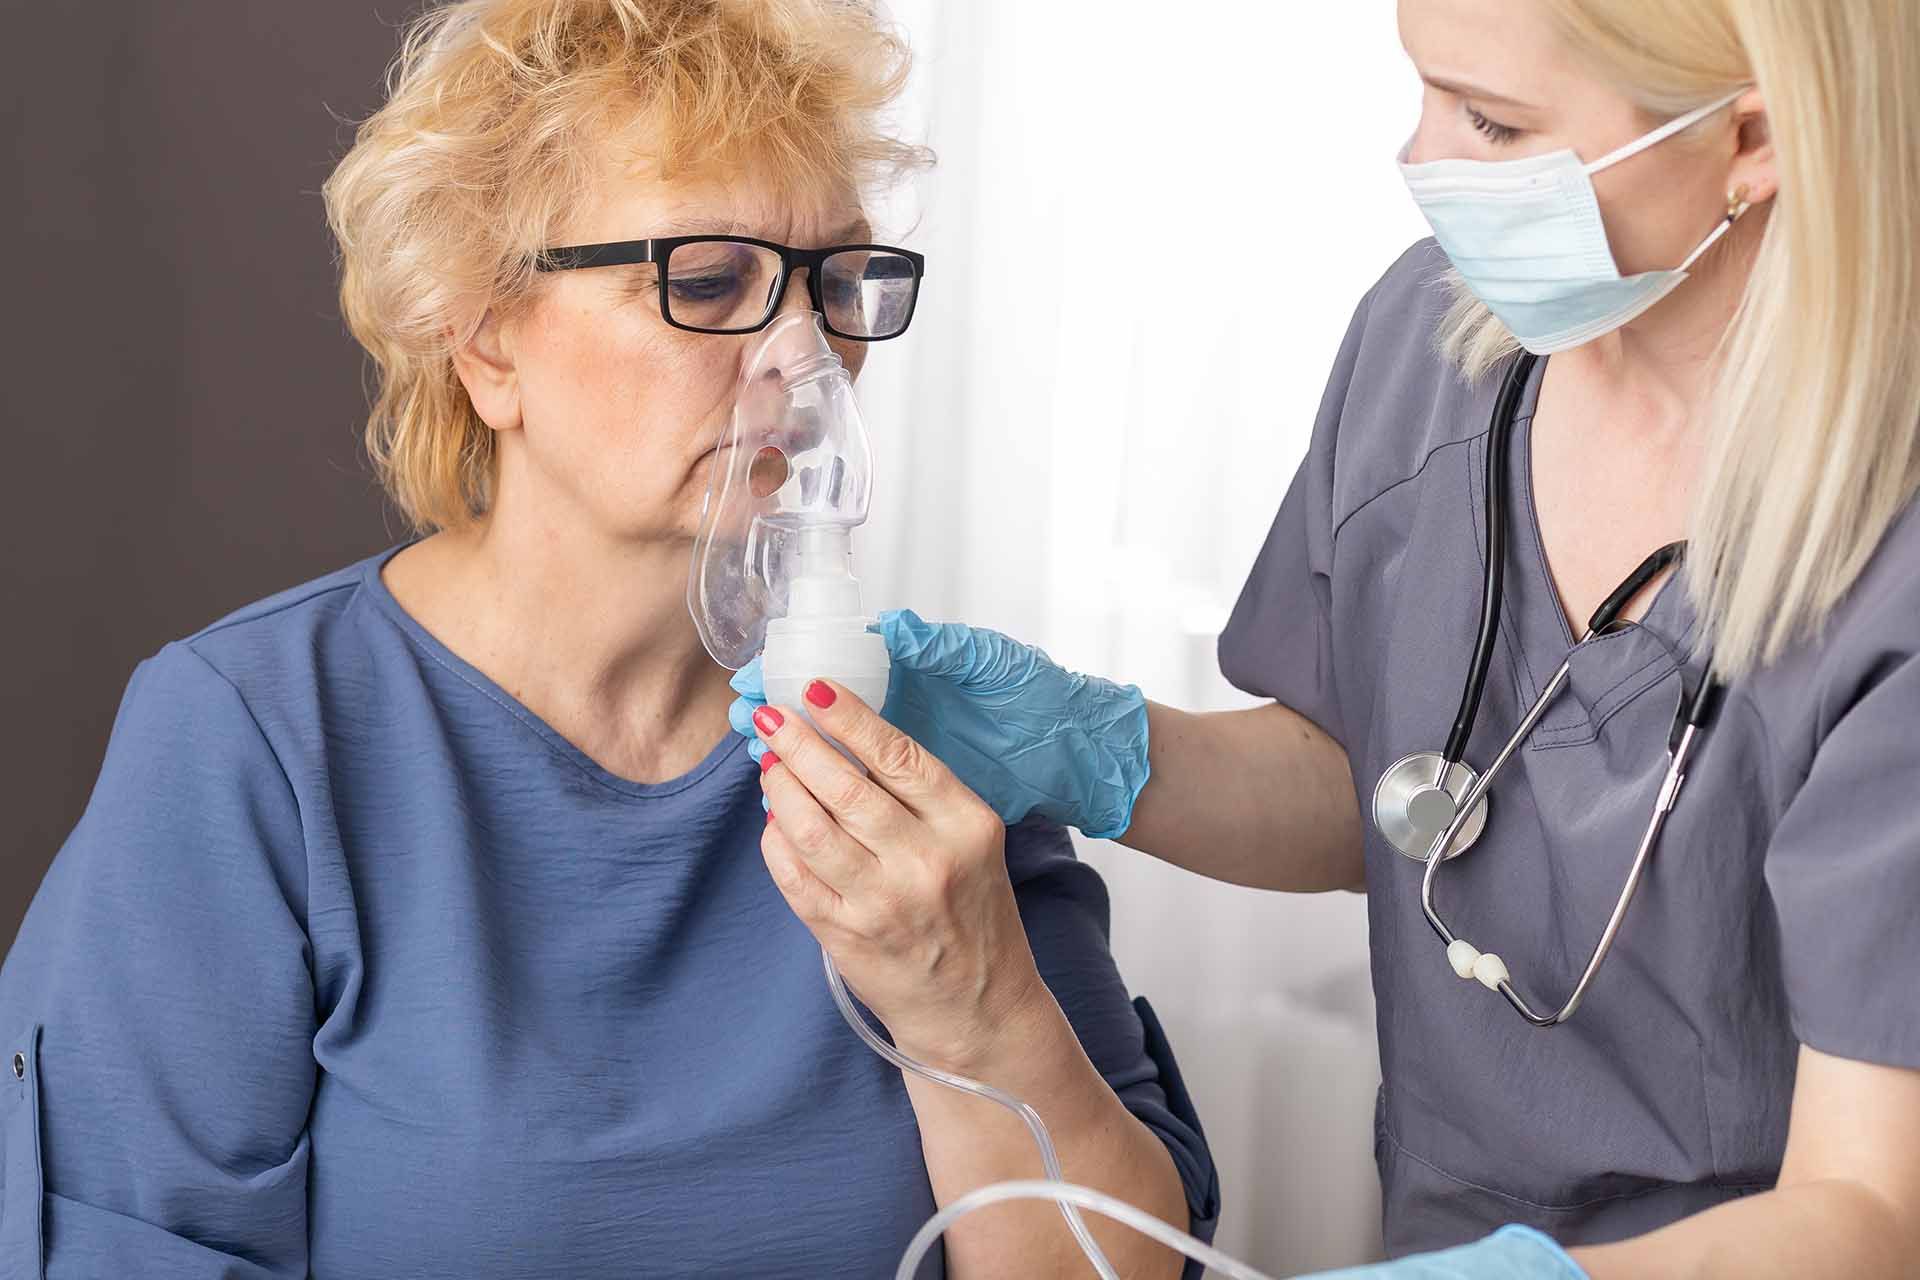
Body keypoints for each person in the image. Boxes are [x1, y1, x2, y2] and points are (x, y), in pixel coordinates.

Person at [0, 2, 1219, 1276]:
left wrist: (984, 1013)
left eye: (838, 282)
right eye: (708, 281)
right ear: (482, 337)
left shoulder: (921, 747)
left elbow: (1122, 1260)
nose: (809, 356)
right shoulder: (257, 742)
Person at [736, 0, 1920, 1274]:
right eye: (1425, 90)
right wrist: (1099, 747)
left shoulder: (1889, 553)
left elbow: (1875, 1211)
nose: (1421, 162)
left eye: (1492, 119)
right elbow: (1389, 785)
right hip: (1433, 1219)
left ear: (1750, 136)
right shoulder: (1437, 346)